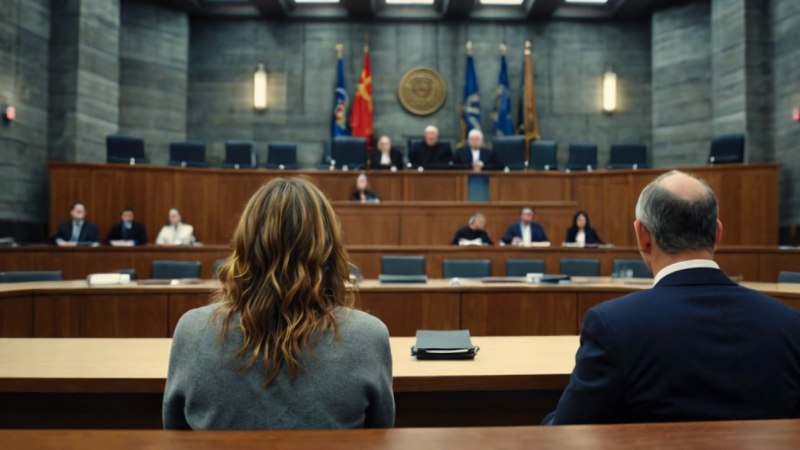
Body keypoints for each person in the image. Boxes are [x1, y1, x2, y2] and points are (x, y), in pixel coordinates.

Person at [542, 170, 800, 425]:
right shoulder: (789, 324)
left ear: (642, 236)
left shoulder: (614, 327)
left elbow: (566, 433)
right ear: (717, 233)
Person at [163, 177, 395, 429]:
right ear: (329, 248)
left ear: (244, 244)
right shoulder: (369, 336)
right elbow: (381, 434)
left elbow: (174, 433)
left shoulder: (192, 330)